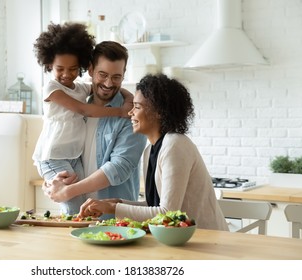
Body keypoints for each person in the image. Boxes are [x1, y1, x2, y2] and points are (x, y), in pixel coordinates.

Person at [78, 74, 229, 231]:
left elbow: (167, 214)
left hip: (206, 241)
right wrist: (115, 203)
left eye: (137, 107)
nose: (130, 113)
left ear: (159, 111)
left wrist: (112, 208)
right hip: (179, 240)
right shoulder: (150, 150)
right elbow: (154, 207)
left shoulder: (175, 145)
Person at [32, 23, 133, 215]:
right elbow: (83, 109)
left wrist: (130, 99)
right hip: (54, 156)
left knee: (74, 202)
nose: (109, 83)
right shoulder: (55, 90)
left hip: (110, 215)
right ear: (91, 70)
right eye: (102, 74)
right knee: (72, 206)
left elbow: (118, 167)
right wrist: (120, 111)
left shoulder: (80, 90)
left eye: (116, 77)